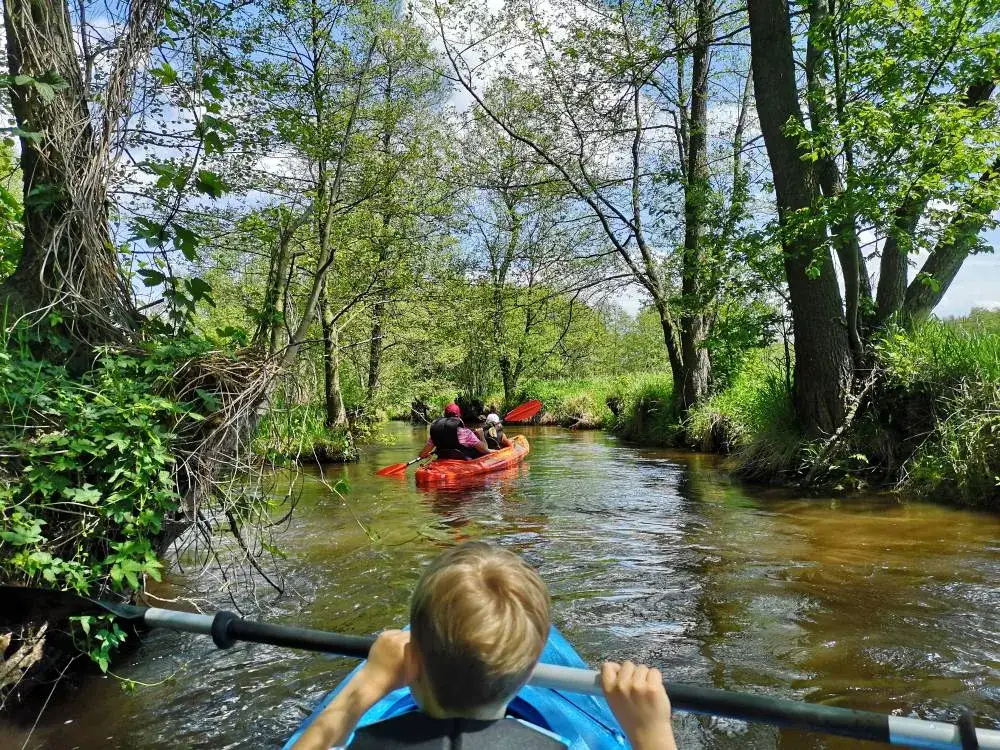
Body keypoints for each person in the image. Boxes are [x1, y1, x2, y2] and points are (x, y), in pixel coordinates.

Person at [292, 542, 678, 750]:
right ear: (531, 671)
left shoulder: (364, 745)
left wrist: (364, 689)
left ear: (413, 662)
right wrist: (652, 735)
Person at [419, 403, 491, 460]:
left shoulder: (436, 433)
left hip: (442, 461)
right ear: (459, 415)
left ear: (445, 415)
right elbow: (485, 450)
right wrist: (481, 435)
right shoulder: (466, 433)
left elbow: (422, 454)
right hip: (462, 463)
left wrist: (426, 454)